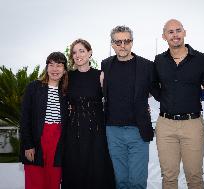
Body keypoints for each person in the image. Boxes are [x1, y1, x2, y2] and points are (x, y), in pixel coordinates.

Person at [153, 19, 204, 189]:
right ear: (164, 36)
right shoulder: (159, 60)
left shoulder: (201, 59)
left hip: (192, 124)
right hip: (165, 125)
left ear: (185, 32)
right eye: (170, 32)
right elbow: (153, 85)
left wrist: (191, 97)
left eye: (178, 30)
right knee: (169, 176)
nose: (175, 35)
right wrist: (165, 98)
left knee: (194, 176)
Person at [101, 25, 157, 189]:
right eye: (118, 42)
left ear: (132, 42)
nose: (122, 45)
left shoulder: (146, 66)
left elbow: (158, 90)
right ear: (112, 44)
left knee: (137, 182)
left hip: (138, 130)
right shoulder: (106, 65)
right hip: (113, 131)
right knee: (120, 181)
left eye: (126, 41)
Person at [61, 39, 115, 189]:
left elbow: (114, 100)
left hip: (97, 132)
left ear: (90, 53)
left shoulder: (101, 75)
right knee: (75, 170)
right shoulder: (67, 77)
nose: (77, 55)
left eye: (81, 51)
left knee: (98, 170)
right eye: (74, 52)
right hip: (73, 132)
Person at [20, 52, 68, 189]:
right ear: (46, 68)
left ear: (64, 70)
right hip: (37, 139)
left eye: (59, 65)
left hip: (58, 142)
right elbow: (25, 118)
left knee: (53, 181)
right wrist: (28, 145)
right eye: (51, 65)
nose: (55, 69)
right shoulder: (33, 87)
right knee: (35, 182)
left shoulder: (66, 91)